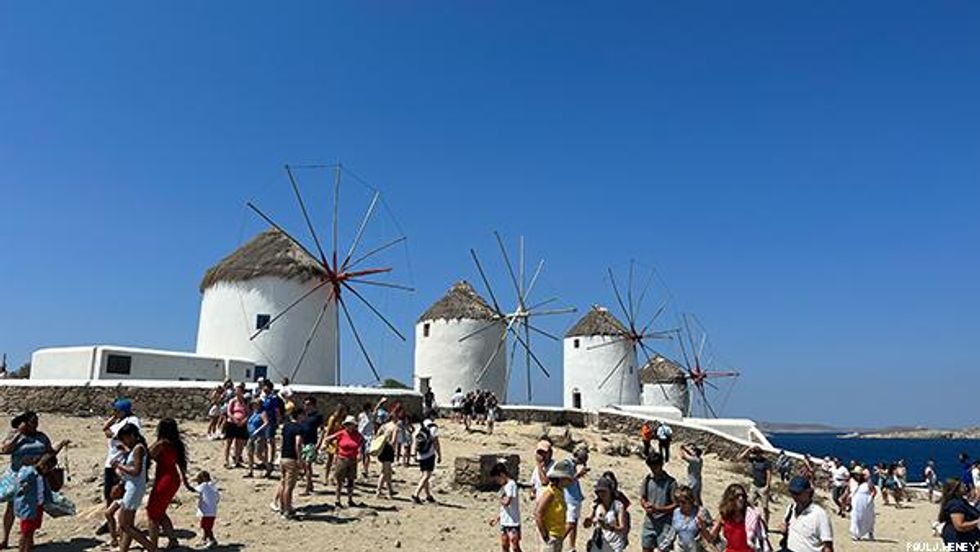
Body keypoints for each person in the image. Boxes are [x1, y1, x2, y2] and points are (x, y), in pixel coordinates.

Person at [1, 411, 65, 549]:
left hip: (36, 477)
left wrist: (58, 447)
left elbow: (49, 452)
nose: (35, 425)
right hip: (17, 475)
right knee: (11, 507)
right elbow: (5, 450)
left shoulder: (41, 437)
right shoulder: (15, 436)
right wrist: (19, 434)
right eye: (32, 422)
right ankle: (5, 538)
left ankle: (28, 539)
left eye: (36, 422)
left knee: (32, 507)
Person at [146, 418, 195, 551]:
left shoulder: (161, 444)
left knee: (152, 513)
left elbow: (147, 455)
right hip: (173, 478)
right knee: (160, 512)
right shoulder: (176, 444)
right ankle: (172, 540)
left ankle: (153, 546)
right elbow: (182, 465)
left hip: (164, 480)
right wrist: (186, 482)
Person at [98, 399, 141, 537]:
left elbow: (112, 434)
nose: (114, 413)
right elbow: (105, 429)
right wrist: (114, 418)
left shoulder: (132, 421)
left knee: (119, 493)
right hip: (111, 461)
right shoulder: (119, 421)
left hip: (121, 463)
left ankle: (123, 523)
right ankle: (110, 523)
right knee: (108, 494)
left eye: (116, 410)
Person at [114, 423, 156, 552]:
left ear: (132, 436)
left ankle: (151, 548)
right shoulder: (136, 448)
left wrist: (119, 466)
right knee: (128, 524)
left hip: (134, 488)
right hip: (134, 487)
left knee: (124, 524)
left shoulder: (138, 448)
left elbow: (136, 471)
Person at [706, 483, 768, 552]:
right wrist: (702, 527)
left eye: (743, 496)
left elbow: (763, 533)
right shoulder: (724, 516)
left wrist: (761, 516)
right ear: (730, 498)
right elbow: (711, 537)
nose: (741, 498)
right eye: (737, 496)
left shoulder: (749, 515)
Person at [13, 453, 55, 552]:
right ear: (43, 465)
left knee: (30, 531)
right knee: (25, 532)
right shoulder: (28, 473)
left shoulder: (41, 475)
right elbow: (20, 485)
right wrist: (23, 487)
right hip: (28, 507)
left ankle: (27, 549)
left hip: (37, 505)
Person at [780, 476, 833, 552]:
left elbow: (827, 546)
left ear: (808, 492)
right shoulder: (791, 508)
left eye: (798, 493)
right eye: (792, 493)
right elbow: (787, 526)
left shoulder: (820, 515)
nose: (794, 496)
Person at [320, 415, 364, 508]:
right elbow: (328, 438)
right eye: (347, 424)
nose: (349, 426)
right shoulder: (341, 433)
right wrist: (327, 446)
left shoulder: (358, 435)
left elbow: (361, 444)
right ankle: (337, 499)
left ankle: (350, 499)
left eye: (351, 424)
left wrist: (360, 453)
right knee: (340, 480)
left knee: (351, 480)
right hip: (342, 459)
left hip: (353, 460)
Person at [638, 451, 677, 552]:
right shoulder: (647, 479)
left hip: (665, 524)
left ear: (661, 464)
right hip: (649, 522)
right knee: (646, 548)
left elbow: (675, 504)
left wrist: (658, 509)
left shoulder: (671, 482)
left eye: (655, 466)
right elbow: (643, 497)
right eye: (651, 466)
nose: (653, 469)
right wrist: (645, 505)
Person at [534, 460, 574, 552]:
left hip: (558, 536)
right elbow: (538, 513)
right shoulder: (550, 493)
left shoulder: (560, 492)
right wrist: (545, 535)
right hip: (551, 536)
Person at [582, 476, 628, 552]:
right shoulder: (595, 505)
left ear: (610, 490)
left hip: (615, 544)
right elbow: (587, 524)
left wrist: (609, 527)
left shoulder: (618, 506)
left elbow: (622, 528)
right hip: (599, 543)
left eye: (603, 491)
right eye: (599, 491)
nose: (601, 493)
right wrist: (588, 521)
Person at [273, 409, 303, 519]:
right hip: (292, 458)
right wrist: (299, 459)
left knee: (283, 483)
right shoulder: (298, 428)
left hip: (283, 457)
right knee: (289, 487)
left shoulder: (286, 426)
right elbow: (298, 443)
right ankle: (287, 510)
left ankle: (283, 507)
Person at [489, 463, 522, 552]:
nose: (497, 482)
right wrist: (497, 518)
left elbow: (507, 502)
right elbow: (503, 507)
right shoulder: (503, 488)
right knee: (504, 545)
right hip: (504, 521)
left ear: (502, 475)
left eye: (497, 479)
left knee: (515, 545)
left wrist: (499, 499)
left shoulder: (511, 485)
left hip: (513, 521)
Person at [938, 478, 980, 546]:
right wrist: (977, 522)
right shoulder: (956, 504)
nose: (965, 486)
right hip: (959, 540)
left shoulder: (960, 501)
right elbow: (959, 526)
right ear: (956, 489)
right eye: (962, 485)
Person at [563, 446, 590, 552]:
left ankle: (571, 546)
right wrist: (578, 475)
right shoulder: (567, 464)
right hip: (570, 498)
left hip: (575, 497)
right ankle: (559, 541)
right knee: (570, 523)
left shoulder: (574, 465)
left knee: (574, 523)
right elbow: (566, 481)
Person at [671, 485, 712, 552]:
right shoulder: (676, 512)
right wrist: (662, 548)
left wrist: (703, 528)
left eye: (683, 502)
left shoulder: (701, 512)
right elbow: (672, 532)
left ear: (690, 501)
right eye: (678, 502)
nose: (680, 505)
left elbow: (711, 537)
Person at [738, 446, 772, 525]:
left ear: (760, 453)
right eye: (754, 453)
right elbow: (740, 458)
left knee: (765, 507)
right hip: (754, 485)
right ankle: (748, 519)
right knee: (749, 503)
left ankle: (766, 524)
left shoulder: (766, 462)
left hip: (763, 487)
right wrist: (748, 449)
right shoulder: (753, 459)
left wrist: (767, 486)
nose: (755, 455)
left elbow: (769, 474)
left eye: (756, 453)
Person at [411, 416, 441, 504]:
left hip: (420, 454)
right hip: (429, 454)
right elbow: (436, 442)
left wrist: (414, 454)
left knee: (424, 475)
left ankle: (428, 495)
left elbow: (416, 440)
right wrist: (439, 454)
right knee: (426, 476)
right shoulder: (433, 428)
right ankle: (416, 494)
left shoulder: (419, 426)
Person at [300, 396, 323, 495]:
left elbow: (322, 430)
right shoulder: (304, 416)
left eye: (308, 404)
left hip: (311, 443)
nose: (306, 406)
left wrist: (319, 444)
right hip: (302, 443)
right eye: (305, 404)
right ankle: (310, 484)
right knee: (304, 465)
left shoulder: (317, 416)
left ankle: (307, 488)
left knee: (307, 464)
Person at [222, 383, 248, 468]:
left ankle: (237, 460)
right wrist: (234, 419)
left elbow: (248, 412)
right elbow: (229, 412)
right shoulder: (233, 401)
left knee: (239, 443)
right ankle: (226, 460)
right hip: (232, 423)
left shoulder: (245, 401)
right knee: (228, 442)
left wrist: (244, 420)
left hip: (242, 423)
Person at [259, 380, 283, 469]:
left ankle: (271, 460)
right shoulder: (266, 397)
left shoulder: (273, 398)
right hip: (265, 421)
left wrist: (278, 420)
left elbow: (276, 410)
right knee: (265, 440)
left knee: (270, 441)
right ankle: (266, 459)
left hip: (271, 421)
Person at [321, 403, 348, 482]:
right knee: (330, 459)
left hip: (340, 441)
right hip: (332, 441)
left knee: (338, 460)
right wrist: (326, 441)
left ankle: (334, 476)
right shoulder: (333, 418)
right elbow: (329, 430)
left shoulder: (343, 420)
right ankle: (326, 476)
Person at [193, 471, 220, 549]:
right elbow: (217, 498)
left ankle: (212, 540)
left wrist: (186, 483)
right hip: (212, 511)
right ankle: (204, 539)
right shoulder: (213, 486)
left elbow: (193, 489)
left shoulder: (204, 485)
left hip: (207, 511)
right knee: (205, 525)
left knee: (206, 527)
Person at [244, 398, 270, 478]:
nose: (254, 405)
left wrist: (258, 430)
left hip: (259, 436)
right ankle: (250, 471)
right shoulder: (253, 413)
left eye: (256, 404)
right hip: (251, 435)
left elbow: (266, 423)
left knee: (258, 454)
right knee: (249, 453)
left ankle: (268, 466)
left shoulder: (262, 413)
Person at [848, 466, 875, 541]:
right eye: (856, 474)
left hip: (866, 502)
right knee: (855, 517)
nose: (857, 476)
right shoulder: (852, 481)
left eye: (858, 474)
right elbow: (849, 491)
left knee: (868, 517)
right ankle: (856, 534)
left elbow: (874, 491)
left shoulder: (868, 482)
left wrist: (870, 499)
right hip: (856, 501)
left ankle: (869, 533)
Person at [375, 412, 398, 499]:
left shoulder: (384, 426)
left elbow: (377, 435)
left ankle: (390, 490)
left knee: (388, 471)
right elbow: (393, 441)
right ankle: (379, 491)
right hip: (388, 449)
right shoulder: (395, 427)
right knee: (385, 472)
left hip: (382, 448)